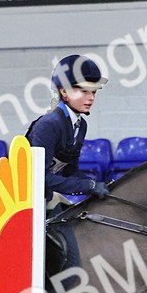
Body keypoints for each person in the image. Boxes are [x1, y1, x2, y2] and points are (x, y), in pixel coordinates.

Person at [25, 54, 111, 205]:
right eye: (84, 91)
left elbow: (69, 171)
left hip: (43, 194)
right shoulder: (49, 125)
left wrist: (97, 184)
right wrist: (88, 186)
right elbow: (39, 177)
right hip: (23, 200)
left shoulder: (80, 125)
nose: (91, 98)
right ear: (64, 92)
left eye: (94, 92)